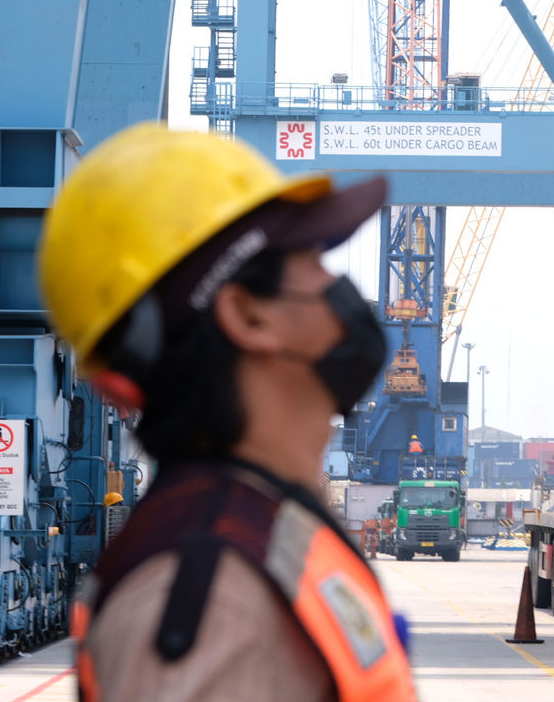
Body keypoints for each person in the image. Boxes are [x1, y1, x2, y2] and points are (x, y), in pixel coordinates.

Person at [39, 124, 416, 702]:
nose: (341, 286)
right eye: (313, 259)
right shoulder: (211, 595)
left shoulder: (262, 529)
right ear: (249, 316)